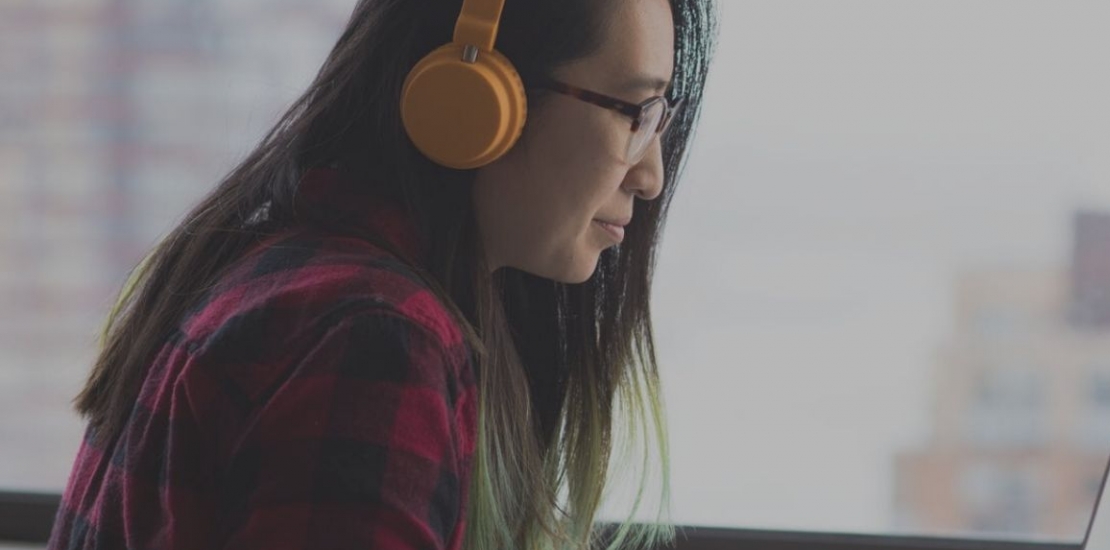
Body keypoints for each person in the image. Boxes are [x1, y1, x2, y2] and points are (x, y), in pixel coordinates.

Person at [47, 0, 714, 548]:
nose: (651, 176)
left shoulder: (275, 277)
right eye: (634, 111)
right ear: (479, 97)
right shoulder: (373, 338)